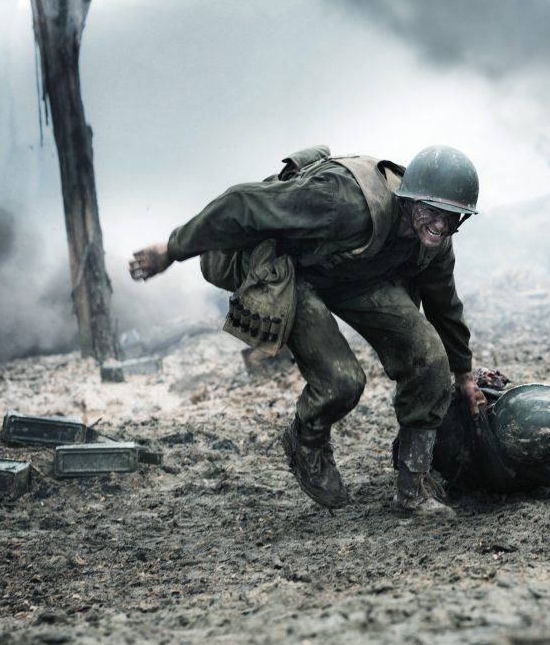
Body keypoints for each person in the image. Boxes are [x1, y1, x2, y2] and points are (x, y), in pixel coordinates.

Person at [129, 145, 486, 518]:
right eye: (431, 211)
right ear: (409, 199)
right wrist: (171, 249)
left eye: (453, 216)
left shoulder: (435, 243)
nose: (441, 224)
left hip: (350, 274)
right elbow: (242, 204)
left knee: (429, 358)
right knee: (342, 381)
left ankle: (413, 488)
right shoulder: (341, 202)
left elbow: (444, 302)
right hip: (288, 266)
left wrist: (463, 373)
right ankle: (307, 439)